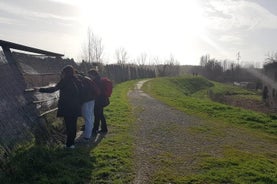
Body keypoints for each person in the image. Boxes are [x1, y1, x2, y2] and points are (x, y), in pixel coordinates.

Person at [37, 65, 81, 149]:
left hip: (68, 107)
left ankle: (69, 145)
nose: (62, 74)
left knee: (69, 126)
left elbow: (53, 89)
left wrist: (40, 89)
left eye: (63, 72)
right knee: (73, 125)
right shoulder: (76, 80)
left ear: (65, 73)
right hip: (76, 106)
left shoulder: (65, 81)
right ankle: (72, 143)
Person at [76, 72, 99, 141]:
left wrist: (80, 101)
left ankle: (87, 137)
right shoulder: (88, 79)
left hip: (86, 101)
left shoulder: (82, 81)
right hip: (92, 100)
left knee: (87, 117)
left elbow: (82, 93)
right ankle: (89, 132)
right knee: (91, 116)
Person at [88, 69, 108, 134]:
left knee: (97, 115)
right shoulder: (99, 80)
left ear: (93, 75)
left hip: (99, 100)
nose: (89, 77)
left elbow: (97, 92)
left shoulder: (96, 81)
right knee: (101, 114)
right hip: (102, 100)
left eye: (90, 75)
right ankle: (104, 128)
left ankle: (95, 129)